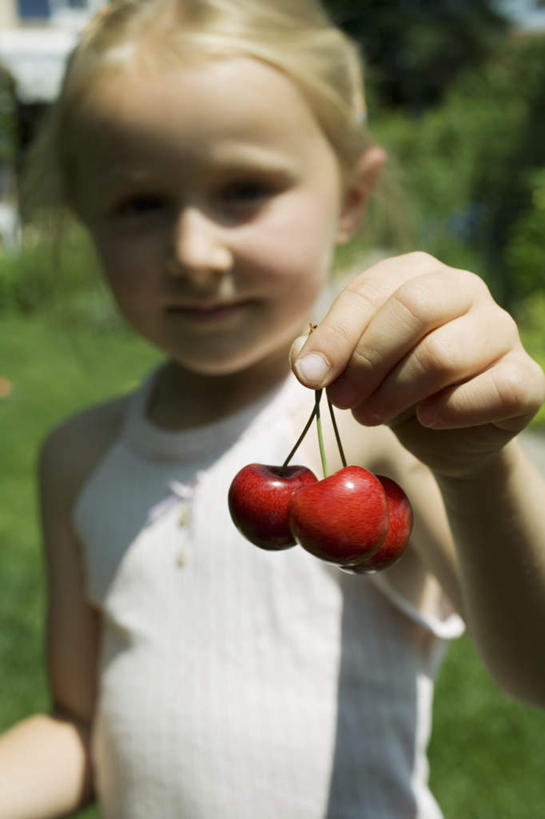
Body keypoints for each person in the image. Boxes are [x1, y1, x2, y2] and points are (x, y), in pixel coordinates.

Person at [1, 1, 545, 817]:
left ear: (352, 198)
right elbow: (81, 724)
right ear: (84, 217)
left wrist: (476, 466)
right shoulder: (78, 455)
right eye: (141, 204)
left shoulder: (386, 429)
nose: (194, 251)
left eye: (244, 190)